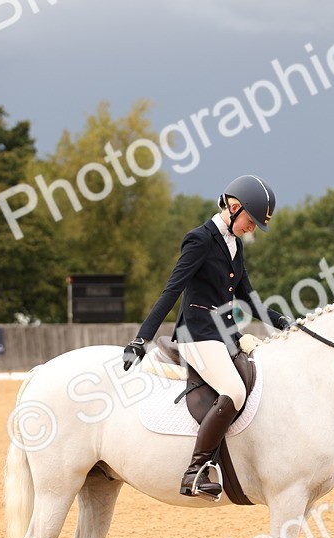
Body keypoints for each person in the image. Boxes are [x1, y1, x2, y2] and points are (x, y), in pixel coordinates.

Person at [122, 175, 292, 498]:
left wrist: (283, 323)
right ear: (234, 206)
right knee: (235, 391)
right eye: (251, 221)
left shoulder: (234, 245)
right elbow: (172, 291)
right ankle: (195, 471)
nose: (252, 228)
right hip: (196, 334)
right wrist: (141, 340)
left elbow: (249, 297)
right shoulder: (199, 239)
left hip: (224, 336)